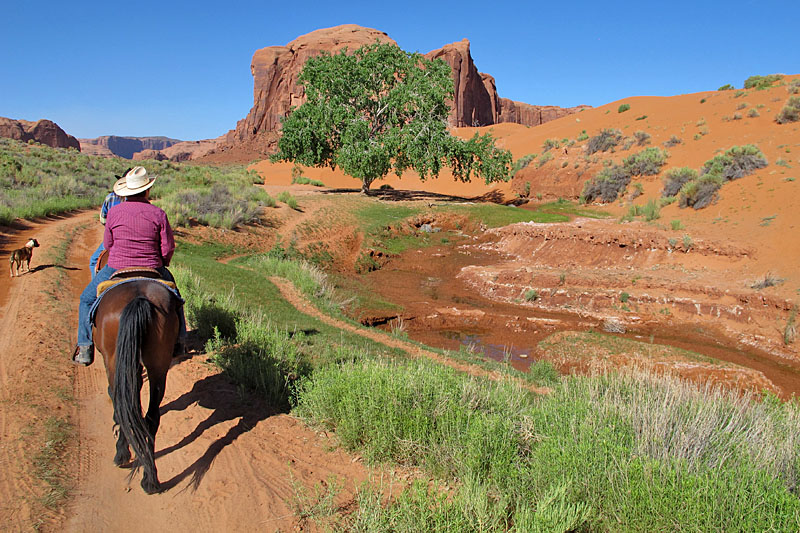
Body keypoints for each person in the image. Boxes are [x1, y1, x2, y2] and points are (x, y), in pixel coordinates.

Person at [73, 166, 186, 366]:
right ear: (147, 190)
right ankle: (179, 343)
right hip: (152, 267)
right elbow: (168, 247)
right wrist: (162, 263)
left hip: (115, 267)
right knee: (176, 299)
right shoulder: (159, 213)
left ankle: (84, 346)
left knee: (86, 299)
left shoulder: (115, 212)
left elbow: (108, 245)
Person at [88, 168, 130, 277]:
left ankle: (97, 290)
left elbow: (103, 220)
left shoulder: (110, 197)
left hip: (115, 238)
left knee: (94, 261)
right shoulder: (141, 202)